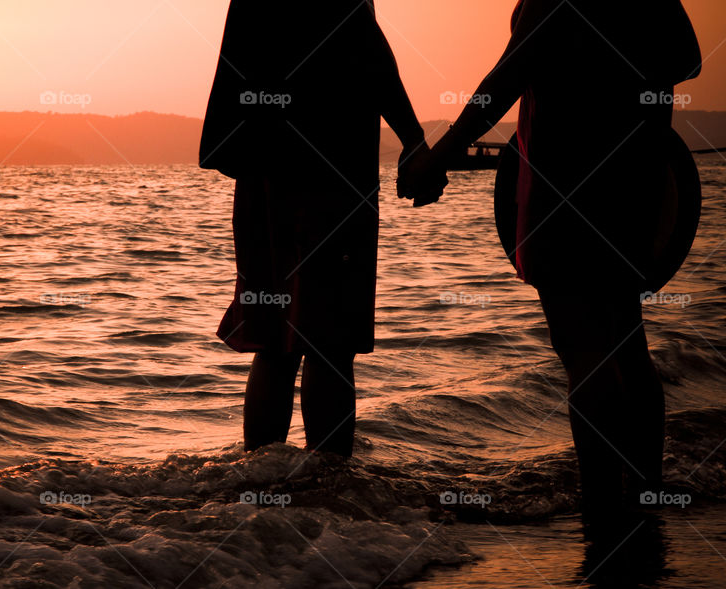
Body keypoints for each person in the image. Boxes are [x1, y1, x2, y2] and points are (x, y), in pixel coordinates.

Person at [405, 0, 701, 515]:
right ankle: (645, 495)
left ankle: (603, 510)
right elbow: (687, 60)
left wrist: (440, 152)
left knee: (584, 349)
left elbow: (505, 79)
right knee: (626, 339)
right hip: (638, 182)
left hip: (565, 188)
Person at [200, 0, 446, 457]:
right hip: (332, 174)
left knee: (275, 340)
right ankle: (329, 496)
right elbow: (371, 55)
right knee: (329, 345)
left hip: (264, 171)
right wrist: (413, 139)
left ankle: (261, 493)